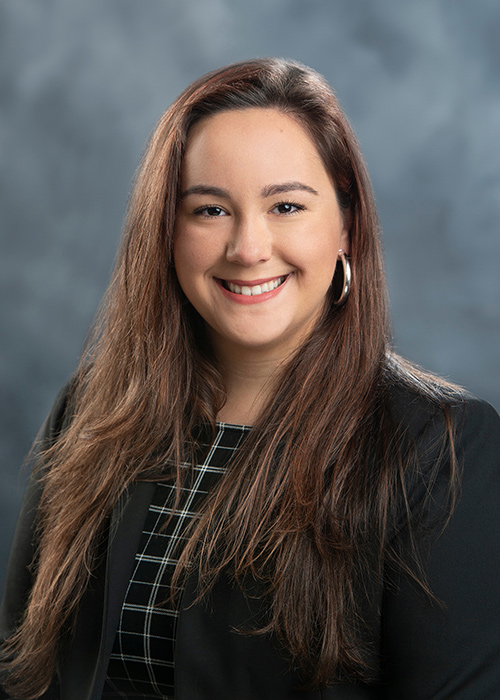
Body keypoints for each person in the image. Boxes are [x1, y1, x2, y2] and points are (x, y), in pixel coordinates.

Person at [1, 58, 500, 700]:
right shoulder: (91, 414)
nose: (248, 247)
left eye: (286, 205)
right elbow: (22, 674)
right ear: (167, 230)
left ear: (346, 224)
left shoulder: (443, 453)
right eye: (210, 210)